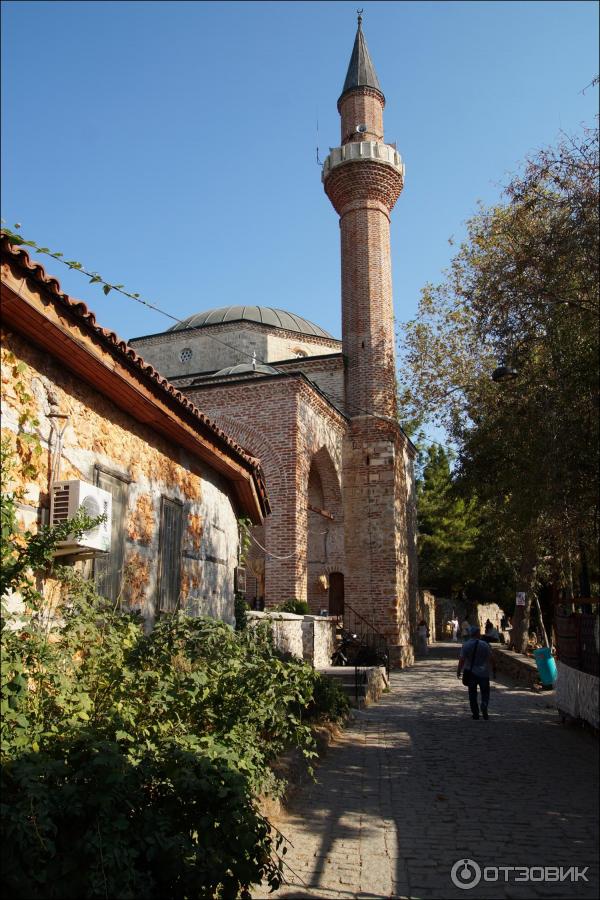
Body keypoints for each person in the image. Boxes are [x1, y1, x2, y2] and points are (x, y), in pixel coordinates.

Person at [457, 625, 497, 719]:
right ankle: (484, 704)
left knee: (472, 693)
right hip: (484, 672)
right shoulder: (485, 645)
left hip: (471, 673)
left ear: (471, 634)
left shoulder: (466, 645)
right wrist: (494, 669)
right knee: (485, 692)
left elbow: (462, 660)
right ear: (478, 634)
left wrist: (459, 670)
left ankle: (475, 713)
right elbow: (492, 659)